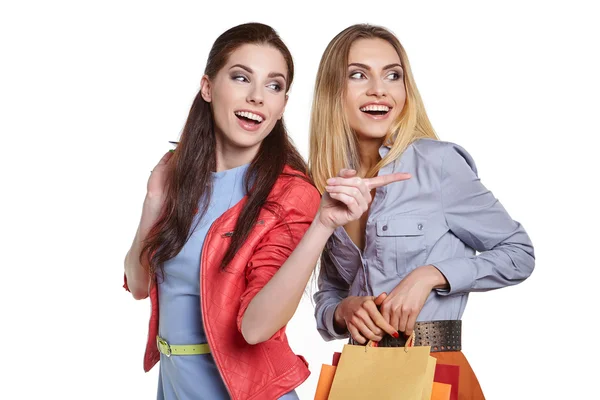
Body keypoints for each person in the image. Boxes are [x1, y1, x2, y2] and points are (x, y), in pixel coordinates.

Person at [310, 24, 535, 399]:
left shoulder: (438, 164)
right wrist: (342, 311)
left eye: (392, 75)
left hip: (435, 372)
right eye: (358, 75)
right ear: (332, 91)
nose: (379, 89)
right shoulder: (326, 184)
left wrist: (431, 275)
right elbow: (329, 290)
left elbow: (520, 254)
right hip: (358, 375)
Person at [122, 22, 326, 400]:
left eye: (274, 85)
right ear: (208, 87)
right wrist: (153, 203)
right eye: (240, 77)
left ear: (282, 106)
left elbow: (256, 329)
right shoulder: (177, 177)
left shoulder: (292, 195)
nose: (257, 97)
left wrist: (324, 224)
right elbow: (138, 284)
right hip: (176, 386)